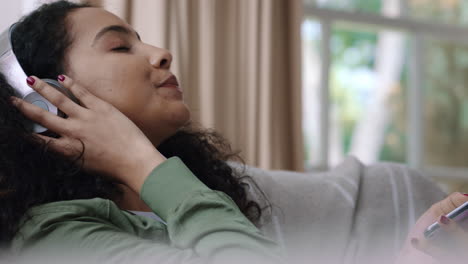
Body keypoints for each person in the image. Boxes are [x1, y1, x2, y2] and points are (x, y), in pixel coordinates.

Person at [0, 1, 466, 263]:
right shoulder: (57, 237)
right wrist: (139, 160)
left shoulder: (205, 194)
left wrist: (415, 252)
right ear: (46, 102)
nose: (162, 53)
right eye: (121, 47)